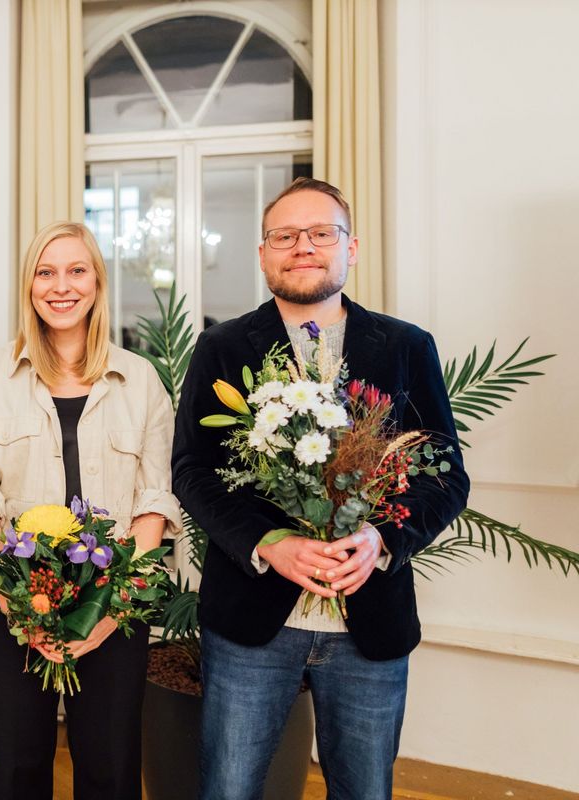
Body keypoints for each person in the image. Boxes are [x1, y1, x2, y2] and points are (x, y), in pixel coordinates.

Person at [171, 177, 470, 798]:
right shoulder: (222, 348)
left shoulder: (406, 347)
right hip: (253, 620)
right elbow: (191, 470)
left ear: (350, 247)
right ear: (263, 253)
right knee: (228, 789)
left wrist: (382, 539)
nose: (302, 246)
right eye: (284, 235)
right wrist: (268, 541)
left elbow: (446, 474)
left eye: (320, 233)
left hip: (370, 621)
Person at [0, 221, 183, 799]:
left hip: (116, 605)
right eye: (46, 271)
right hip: (13, 601)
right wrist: (15, 603)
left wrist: (107, 614)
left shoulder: (141, 381)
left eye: (76, 270)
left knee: (109, 768)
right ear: (29, 284)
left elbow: (153, 504)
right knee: (15, 768)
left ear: (98, 282)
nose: (61, 286)